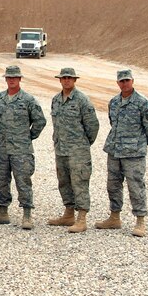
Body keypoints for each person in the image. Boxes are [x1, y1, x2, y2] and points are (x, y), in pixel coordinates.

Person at [97, 69, 148, 237]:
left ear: (132, 81)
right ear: (117, 83)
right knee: (113, 184)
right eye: (121, 81)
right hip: (114, 150)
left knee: (136, 185)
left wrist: (142, 143)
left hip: (133, 152)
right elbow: (112, 122)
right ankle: (114, 217)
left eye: (127, 81)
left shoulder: (142, 102)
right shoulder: (114, 102)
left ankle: (140, 221)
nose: (124, 84)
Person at [0, 65, 47, 229]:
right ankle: (3, 212)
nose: (12, 80)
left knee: (23, 181)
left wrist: (28, 136)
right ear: (6, 79)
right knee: (1, 180)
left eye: (15, 77)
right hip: (2, 149)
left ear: (20, 79)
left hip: (22, 150)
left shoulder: (28, 100)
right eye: (9, 77)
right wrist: (0, 134)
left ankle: (27, 215)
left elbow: (40, 121)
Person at [48, 68, 100, 234]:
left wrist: (83, 144)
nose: (66, 81)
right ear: (60, 80)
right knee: (64, 181)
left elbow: (92, 126)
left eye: (70, 78)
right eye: (64, 78)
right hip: (61, 149)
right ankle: (68, 213)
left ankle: (82, 218)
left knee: (80, 182)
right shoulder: (56, 100)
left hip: (78, 151)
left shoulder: (82, 100)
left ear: (75, 80)